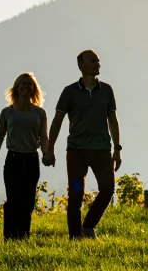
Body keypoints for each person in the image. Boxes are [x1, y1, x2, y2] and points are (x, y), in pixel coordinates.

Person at [43, 50, 122, 239]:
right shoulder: (69, 92)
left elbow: (113, 120)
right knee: (76, 194)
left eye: (98, 61)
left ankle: (88, 226)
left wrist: (117, 149)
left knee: (108, 189)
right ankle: (74, 238)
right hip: (76, 151)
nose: (98, 64)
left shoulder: (107, 90)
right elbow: (57, 121)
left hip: (102, 150)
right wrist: (50, 149)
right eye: (93, 60)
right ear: (81, 65)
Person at [0, 72, 49, 241]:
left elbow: (43, 136)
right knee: (13, 199)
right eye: (23, 83)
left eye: (29, 84)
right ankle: (9, 237)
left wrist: (46, 153)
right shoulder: (7, 112)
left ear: (33, 89)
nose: (26, 86)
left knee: (28, 201)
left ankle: (23, 236)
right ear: (16, 88)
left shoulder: (39, 113)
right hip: (13, 159)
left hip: (31, 159)